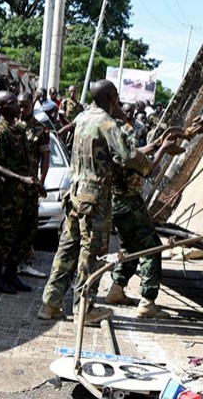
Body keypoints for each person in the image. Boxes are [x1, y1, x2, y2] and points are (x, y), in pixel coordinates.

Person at [38, 80, 181, 325]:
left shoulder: (83, 117)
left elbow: (113, 153)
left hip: (74, 196)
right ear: (112, 97)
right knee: (91, 253)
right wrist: (161, 153)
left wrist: (153, 145)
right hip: (95, 200)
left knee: (67, 249)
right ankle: (85, 308)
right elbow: (131, 160)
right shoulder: (108, 124)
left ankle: (50, 304)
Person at [105, 103, 183, 318]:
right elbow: (146, 169)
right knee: (151, 247)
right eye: (121, 109)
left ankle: (116, 290)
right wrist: (163, 150)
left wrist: (155, 144)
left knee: (131, 247)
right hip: (129, 203)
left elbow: (133, 154)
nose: (125, 112)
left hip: (115, 203)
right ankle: (148, 301)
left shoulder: (107, 137)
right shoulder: (119, 134)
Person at [0, 91, 43, 294]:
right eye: (11, 102)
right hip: (9, 193)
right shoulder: (0, 132)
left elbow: (27, 160)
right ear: (2, 108)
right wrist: (20, 178)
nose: (17, 105)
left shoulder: (19, 129)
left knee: (26, 232)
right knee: (4, 235)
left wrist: (36, 182)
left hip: (26, 191)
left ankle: (11, 274)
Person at [17, 92, 50, 279]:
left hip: (30, 184)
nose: (22, 110)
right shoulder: (10, 125)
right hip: (11, 184)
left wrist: (42, 182)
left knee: (29, 224)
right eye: (19, 106)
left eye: (26, 106)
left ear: (32, 105)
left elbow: (45, 158)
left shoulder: (40, 129)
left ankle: (25, 261)